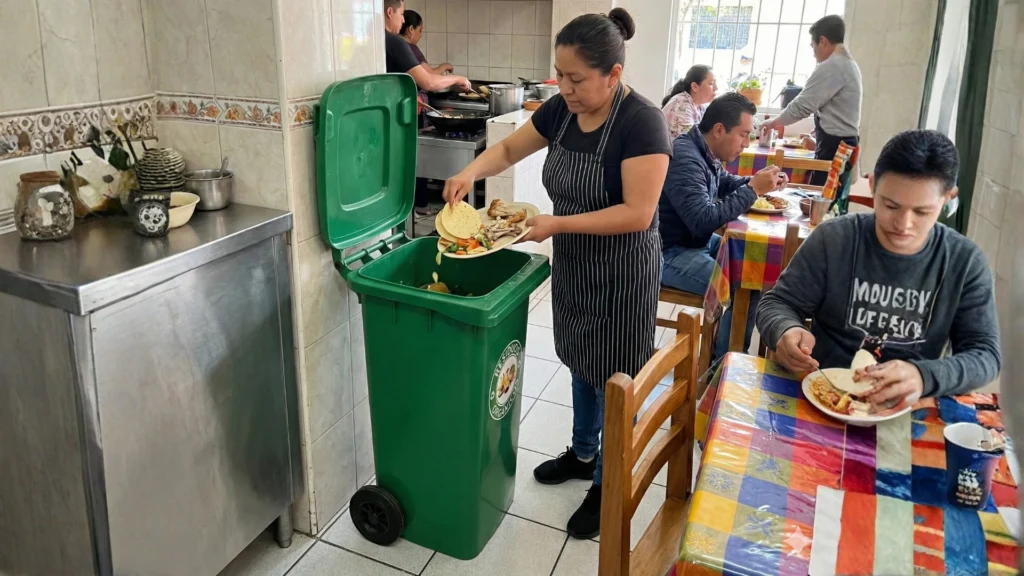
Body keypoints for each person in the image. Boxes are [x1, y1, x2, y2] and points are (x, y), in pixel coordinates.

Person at [442, 8, 671, 539]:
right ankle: (585, 452)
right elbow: (506, 148)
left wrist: (555, 223)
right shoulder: (563, 111)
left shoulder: (642, 122)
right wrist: (470, 170)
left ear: (613, 74)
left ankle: (607, 483)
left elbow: (638, 212)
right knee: (579, 359)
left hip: (622, 271)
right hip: (575, 263)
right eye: (559, 75)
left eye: (576, 79)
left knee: (615, 375)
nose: (564, 88)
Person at [757, 130, 1001, 410]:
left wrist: (924, 376)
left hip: (910, 409)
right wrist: (785, 329)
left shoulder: (964, 262)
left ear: (948, 197)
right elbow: (777, 303)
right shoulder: (835, 240)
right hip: (825, 398)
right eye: (890, 205)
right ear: (872, 186)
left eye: (922, 212)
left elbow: (986, 355)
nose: (903, 224)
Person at [659, 93, 787, 362]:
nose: (746, 143)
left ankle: (729, 354)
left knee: (752, 267)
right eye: (743, 134)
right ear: (719, 130)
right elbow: (703, 219)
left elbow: (724, 183)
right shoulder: (685, 157)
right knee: (739, 285)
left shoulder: (703, 149)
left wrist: (758, 182)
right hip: (668, 253)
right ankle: (725, 367)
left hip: (695, 243)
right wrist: (753, 190)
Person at [759, 15, 862, 186]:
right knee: (831, 200)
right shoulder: (848, 64)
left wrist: (774, 122)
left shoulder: (833, 65)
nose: (813, 53)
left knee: (823, 200)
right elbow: (836, 110)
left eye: (813, 45)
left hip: (836, 146)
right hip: (841, 142)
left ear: (822, 40)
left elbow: (802, 106)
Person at [383, 0, 470, 93]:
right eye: (401, 14)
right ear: (389, 12)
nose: (403, 20)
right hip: (396, 104)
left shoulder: (376, 40)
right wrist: (458, 79)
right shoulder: (395, 42)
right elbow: (429, 82)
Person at [661, 65, 717, 139]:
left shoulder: (700, 106)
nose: (716, 88)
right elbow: (692, 141)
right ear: (695, 87)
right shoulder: (681, 105)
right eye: (711, 84)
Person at [400, 10, 455, 76]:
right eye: (420, 30)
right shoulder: (411, 48)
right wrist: (445, 66)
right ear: (411, 29)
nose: (421, 35)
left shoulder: (395, 44)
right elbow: (430, 74)